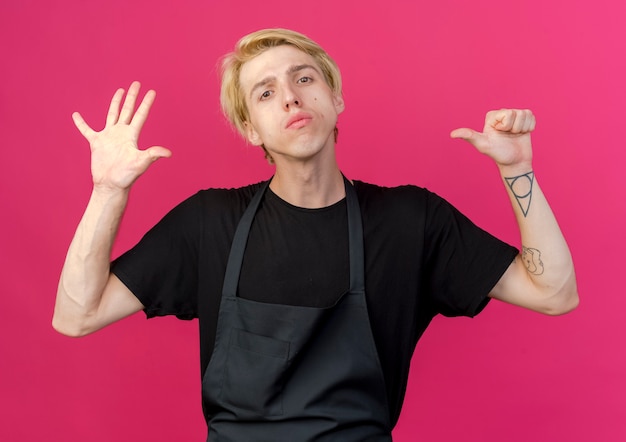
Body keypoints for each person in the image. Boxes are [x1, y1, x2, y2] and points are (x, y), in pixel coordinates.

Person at [53, 28, 578, 441]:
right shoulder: (210, 222)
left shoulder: (409, 220)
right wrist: (107, 191)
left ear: (336, 98)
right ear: (251, 130)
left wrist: (518, 171)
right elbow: (76, 315)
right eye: (265, 91)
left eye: (303, 78)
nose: (289, 97)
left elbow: (553, 293)